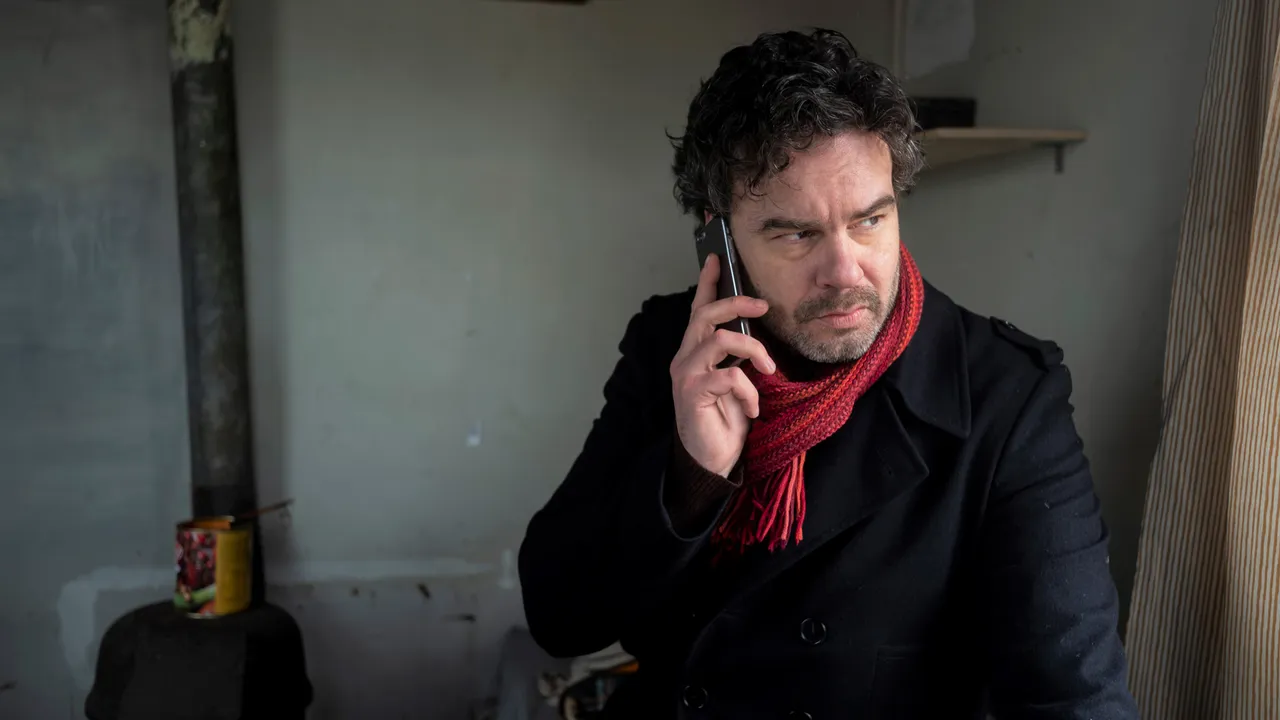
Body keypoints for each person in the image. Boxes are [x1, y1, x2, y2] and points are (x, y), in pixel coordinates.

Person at [518, 28, 1138, 720]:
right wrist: (693, 474)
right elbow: (558, 617)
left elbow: (1073, 697)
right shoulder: (675, 349)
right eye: (795, 233)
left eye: (870, 220)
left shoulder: (1004, 393)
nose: (845, 272)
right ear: (718, 237)